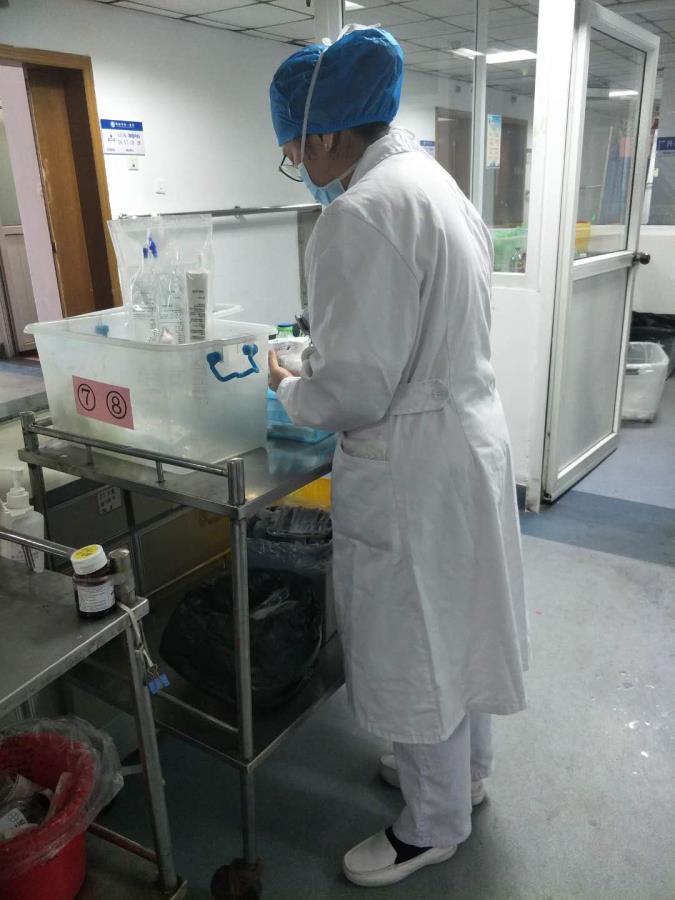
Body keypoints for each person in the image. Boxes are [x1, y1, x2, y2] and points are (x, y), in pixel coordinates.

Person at [268, 26, 529, 888]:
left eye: (294, 145)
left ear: (326, 134)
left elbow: (353, 390)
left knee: (416, 637)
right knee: (457, 625)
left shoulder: (358, 213)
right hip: (466, 438)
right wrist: (327, 362)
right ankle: (464, 777)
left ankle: (429, 825)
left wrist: (289, 385)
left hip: (413, 460)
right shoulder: (433, 184)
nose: (297, 160)